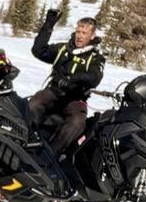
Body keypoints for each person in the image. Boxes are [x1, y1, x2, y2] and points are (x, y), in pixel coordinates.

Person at [27, 11, 105, 154]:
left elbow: (95, 76)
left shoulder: (95, 58)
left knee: (77, 123)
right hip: (54, 91)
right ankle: (26, 138)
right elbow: (39, 50)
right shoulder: (63, 49)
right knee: (34, 104)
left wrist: (74, 80)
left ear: (92, 36)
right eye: (78, 32)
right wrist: (48, 25)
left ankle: (52, 154)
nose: (79, 36)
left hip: (76, 99)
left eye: (84, 33)